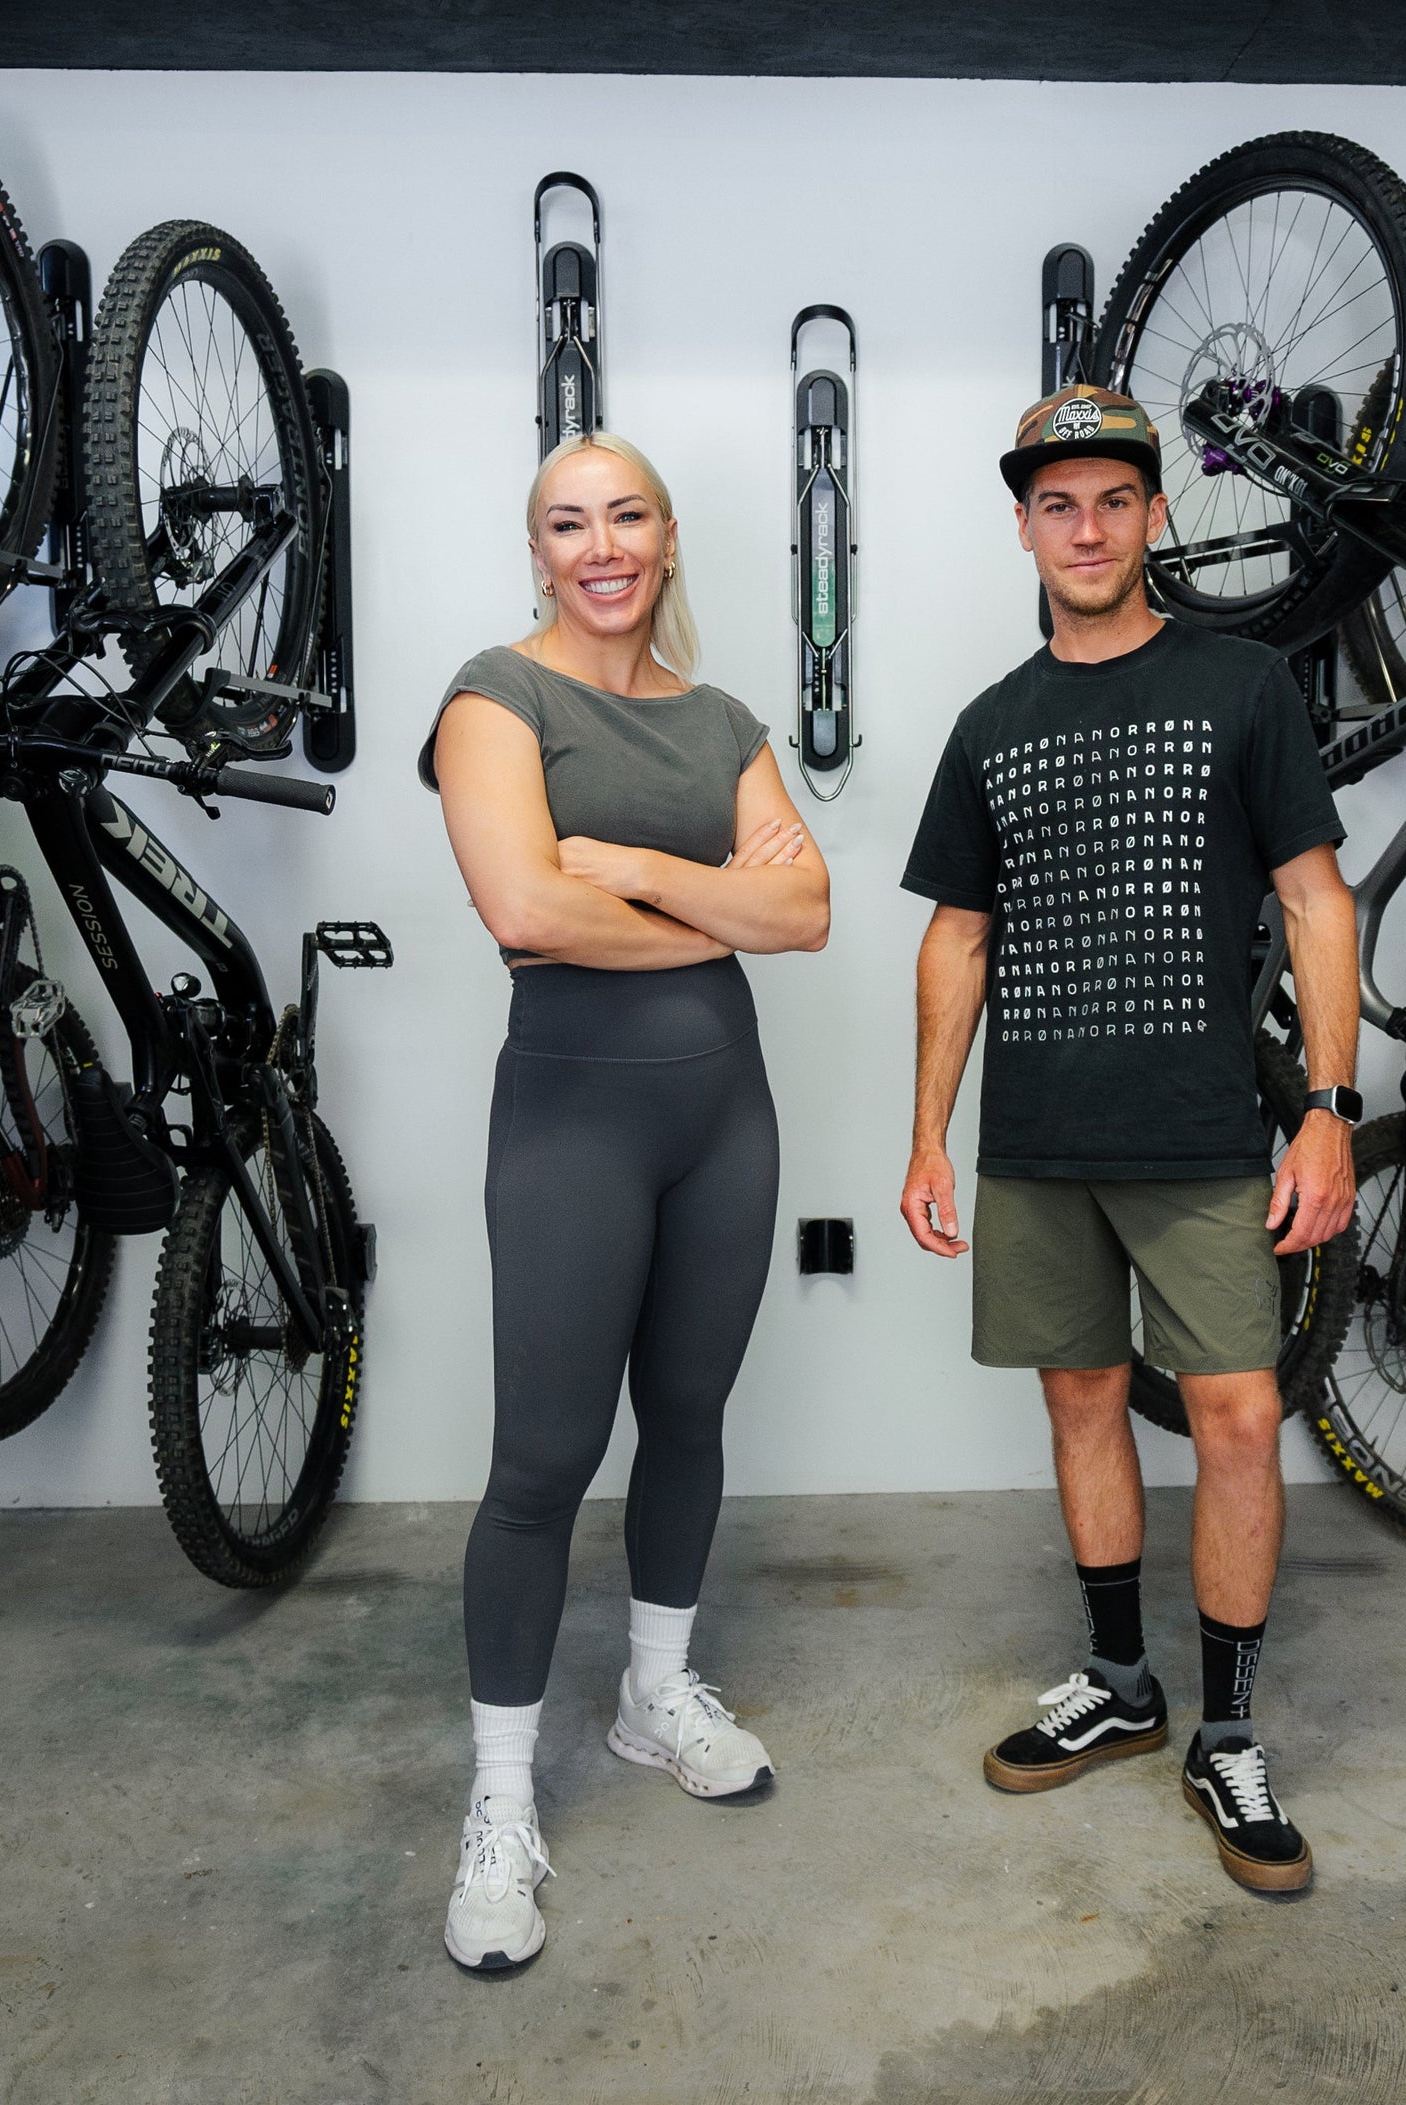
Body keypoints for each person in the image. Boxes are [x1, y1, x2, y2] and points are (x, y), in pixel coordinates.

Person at [897, 385, 1360, 1894]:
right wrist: (928, 1135)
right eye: (1055, 503)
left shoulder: (1242, 687)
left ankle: (1228, 1730)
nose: (1085, 528)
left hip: (1206, 1134)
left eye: (1112, 499)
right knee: (1083, 1404)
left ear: (1157, 513)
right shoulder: (991, 725)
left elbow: (1315, 903)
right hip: (1038, 1138)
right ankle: (1122, 1678)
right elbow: (958, 941)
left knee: (1233, 1416)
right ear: (1024, 524)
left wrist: (1331, 1109)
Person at [423, 432, 830, 1974]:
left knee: (692, 1414)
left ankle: (656, 1694)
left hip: (725, 1115)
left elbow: (811, 908)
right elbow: (522, 910)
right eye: (567, 522)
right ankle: (501, 1796)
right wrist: (707, 900)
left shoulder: (722, 716)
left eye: (627, 515)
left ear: (664, 540)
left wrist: (625, 874)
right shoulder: (494, 696)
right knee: (540, 1460)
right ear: (539, 553)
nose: (601, 544)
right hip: (574, 1122)